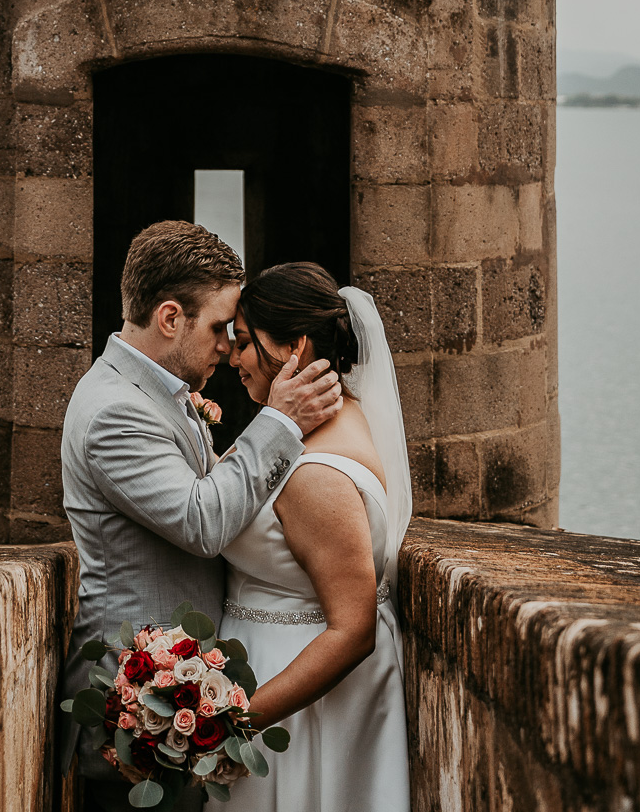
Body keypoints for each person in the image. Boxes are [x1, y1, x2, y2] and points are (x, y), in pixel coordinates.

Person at [61, 223, 343, 812]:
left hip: (182, 711)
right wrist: (282, 424)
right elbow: (203, 521)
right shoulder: (115, 411)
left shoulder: (160, 394)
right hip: (137, 719)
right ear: (170, 318)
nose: (228, 347)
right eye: (219, 328)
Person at [220, 262, 411, 810]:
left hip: (296, 707)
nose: (234, 359)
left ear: (294, 347)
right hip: (284, 688)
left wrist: (232, 724)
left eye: (244, 342)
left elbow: (353, 630)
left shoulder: (313, 476)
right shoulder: (331, 418)